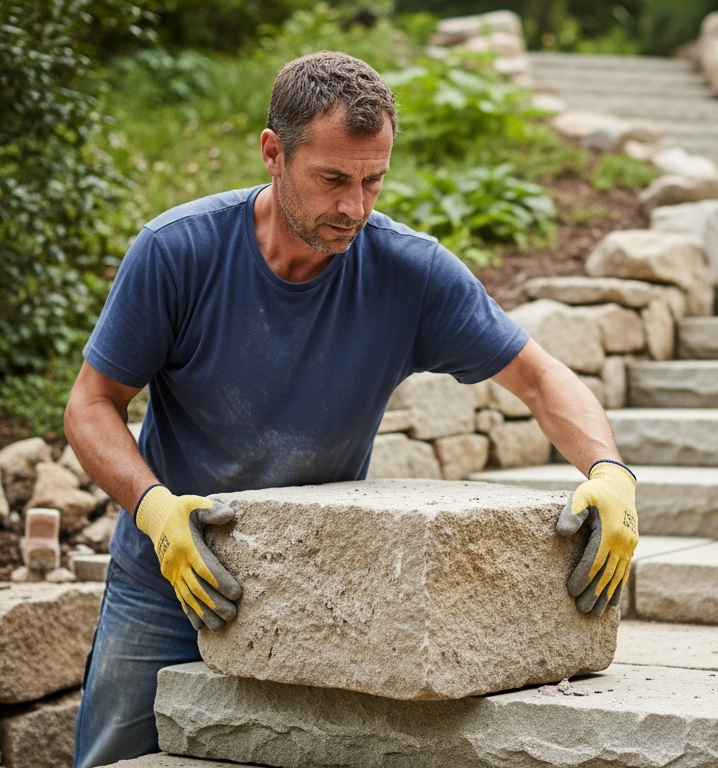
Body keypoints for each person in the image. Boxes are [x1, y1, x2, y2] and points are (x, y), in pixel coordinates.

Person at [64, 50, 639, 767]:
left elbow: (540, 377)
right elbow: (91, 404)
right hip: (169, 580)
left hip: (319, 591)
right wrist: (155, 511)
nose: (355, 209)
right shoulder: (177, 253)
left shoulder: (408, 271)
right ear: (273, 153)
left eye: (373, 180)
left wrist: (610, 472)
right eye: (333, 179)